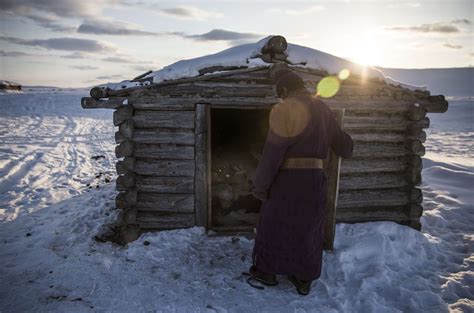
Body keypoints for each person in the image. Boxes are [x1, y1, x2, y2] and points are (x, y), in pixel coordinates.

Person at [247, 69, 354, 296]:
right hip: (315, 180)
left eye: (280, 94)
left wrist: (260, 186)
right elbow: (344, 146)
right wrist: (348, 141)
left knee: (273, 223)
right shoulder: (323, 110)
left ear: (285, 90)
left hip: (287, 180)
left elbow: (273, 152)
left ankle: (267, 272)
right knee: (308, 227)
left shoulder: (285, 109)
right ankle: (303, 277)